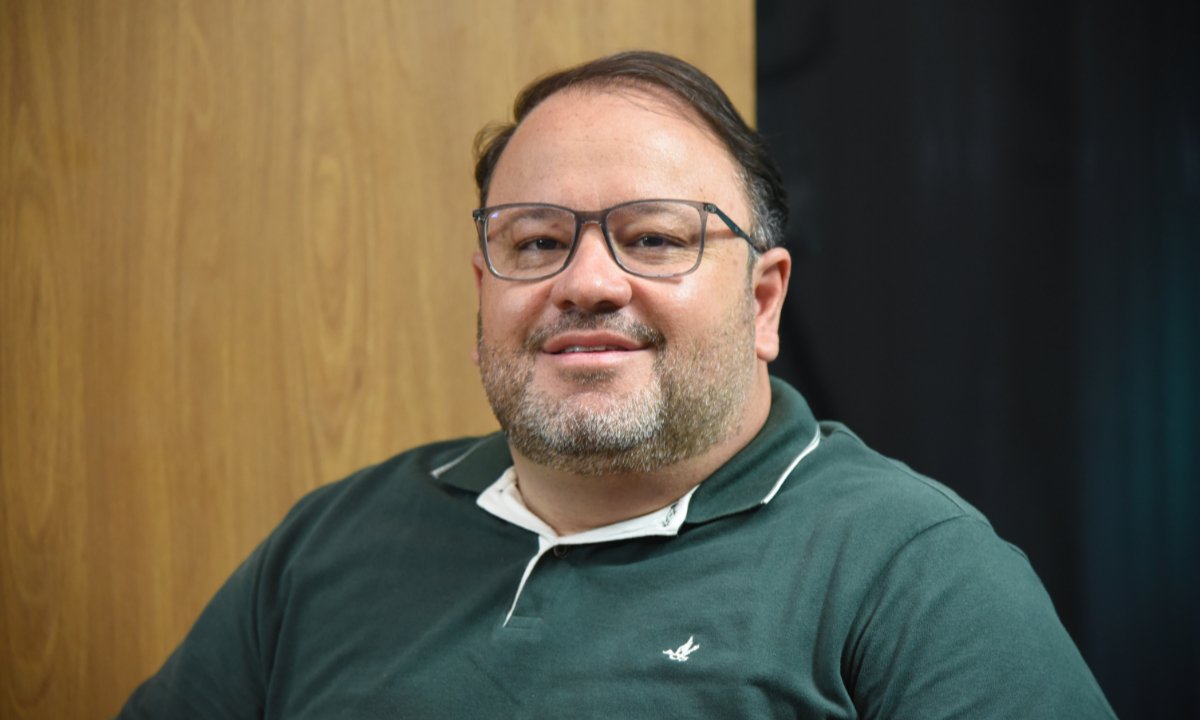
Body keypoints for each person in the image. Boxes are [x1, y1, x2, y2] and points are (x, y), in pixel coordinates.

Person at [117, 51, 1115, 719]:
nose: (586, 282)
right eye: (538, 241)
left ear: (764, 302)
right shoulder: (329, 543)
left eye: (653, 238)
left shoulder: (912, 572)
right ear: (484, 289)